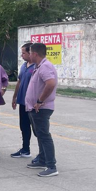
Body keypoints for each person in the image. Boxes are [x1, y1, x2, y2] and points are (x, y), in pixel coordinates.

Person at [25, 43, 59, 177]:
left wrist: (40, 101)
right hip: (36, 108)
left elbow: (50, 83)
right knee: (40, 134)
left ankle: (51, 166)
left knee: (44, 136)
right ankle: (42, 159)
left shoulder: (45, 66)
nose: (29, 55)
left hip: (42, 108)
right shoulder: (39, 66)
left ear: (35, 54)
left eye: (30, 53)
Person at [10, 43, 35, 158]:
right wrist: (15, 97)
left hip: (33, 103)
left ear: (31, 53)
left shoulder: (36, 67)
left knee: (36, 129)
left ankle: (43, 154)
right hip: (22, 102)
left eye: (23, 53)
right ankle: (25, 149)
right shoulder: (24, 66)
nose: (21, 55)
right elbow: (19, 82)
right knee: (24, 126)